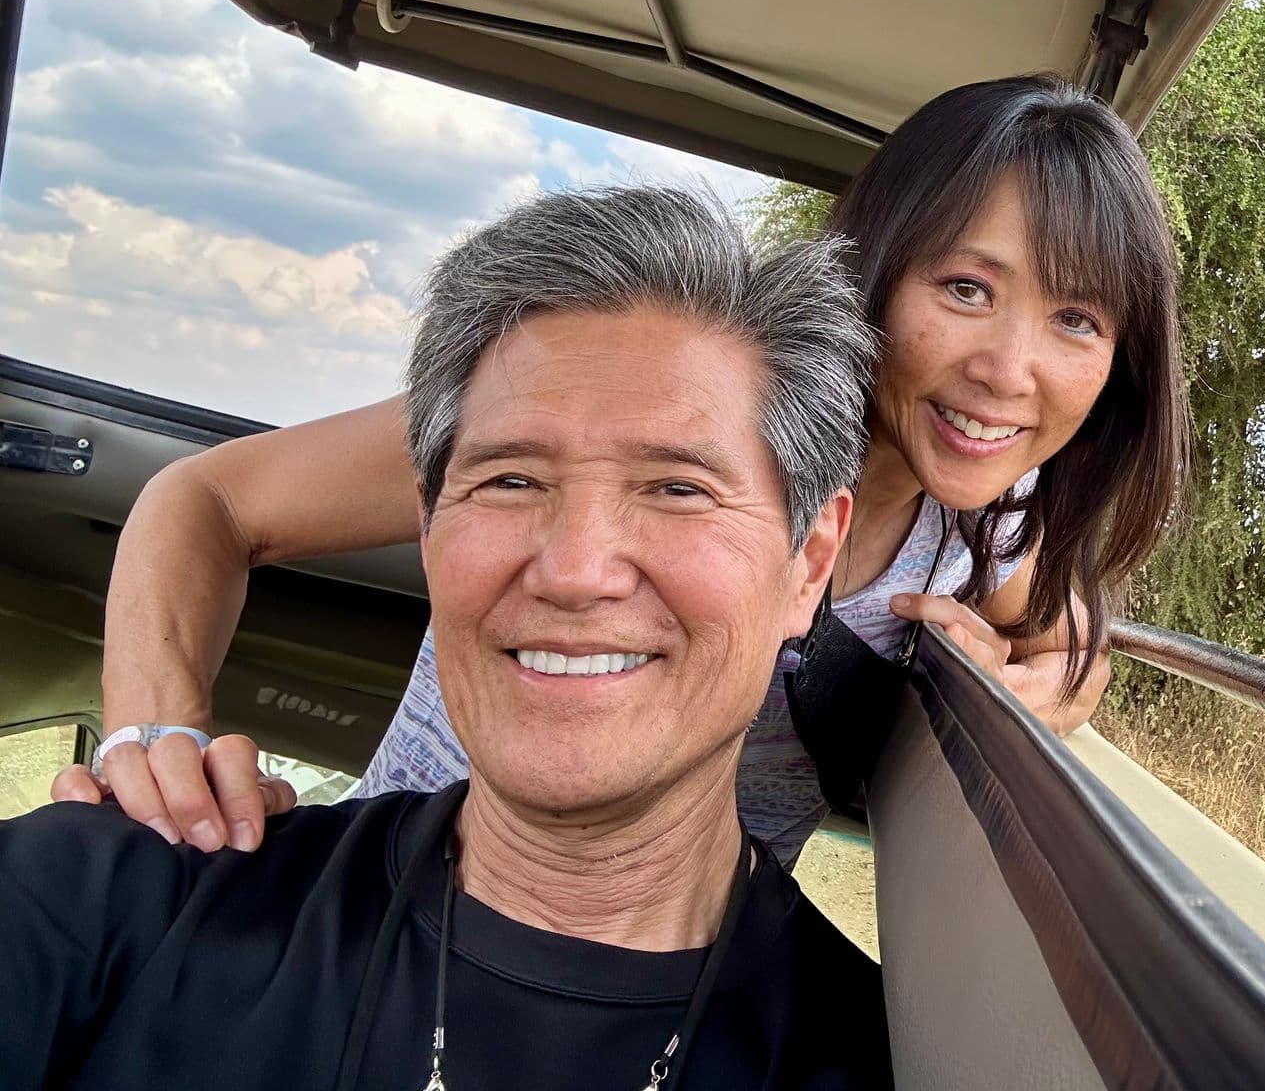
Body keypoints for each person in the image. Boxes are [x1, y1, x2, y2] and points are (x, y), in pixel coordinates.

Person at [56, 75, 1189, 864]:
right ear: (880, 268)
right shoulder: (667, 404)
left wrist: (1075, 646)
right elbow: (205, 497)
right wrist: (156, 745)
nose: (1009, 371)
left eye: (1077, 319)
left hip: (674, 1008)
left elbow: (1053, 625)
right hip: (386, 914)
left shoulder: (970, 539)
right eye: (965, 289)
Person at [1, 186, 891, 1089]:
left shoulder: (889, 1062)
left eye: (677, 489)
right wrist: (153, 752)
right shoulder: (115, 897)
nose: (575, 570)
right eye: (510, 480)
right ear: (429, 527)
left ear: (808, 565)